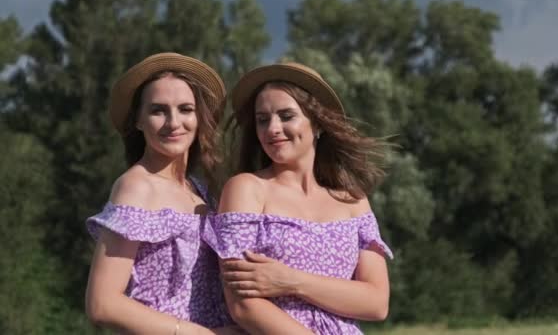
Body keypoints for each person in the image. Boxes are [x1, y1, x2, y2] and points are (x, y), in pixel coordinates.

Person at [203, 62, 393, 334]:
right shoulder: (247, 189)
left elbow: (376, 303)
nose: (273, 128)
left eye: (286, 115)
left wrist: (291, 281)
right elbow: (244, 305)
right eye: (263, 119)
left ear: (317, 123)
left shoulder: (354, 201)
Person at [85, 53, 237, 334]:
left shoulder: (200, 190)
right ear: (138, 121)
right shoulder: (137, 187)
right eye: (158, 110)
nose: (173, 122)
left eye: (185, 109)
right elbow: (102, 303)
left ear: (199, 117)